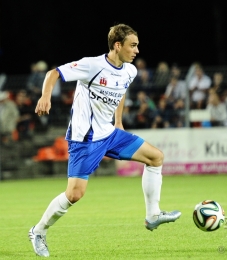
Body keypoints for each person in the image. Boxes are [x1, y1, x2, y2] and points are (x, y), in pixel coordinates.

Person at [28, 24, 181, 257]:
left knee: (156, 157)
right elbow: (53, 73)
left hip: (110, 133)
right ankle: (38, 231)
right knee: (74, 195)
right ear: (117, 45)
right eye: (133, 45)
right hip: (85, 140)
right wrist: (45, 95)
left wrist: (118, 123)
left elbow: (120, 92)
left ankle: (153, 215)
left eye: (137, 45)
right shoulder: (92, 66)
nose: (137, 50)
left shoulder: (129, 71)